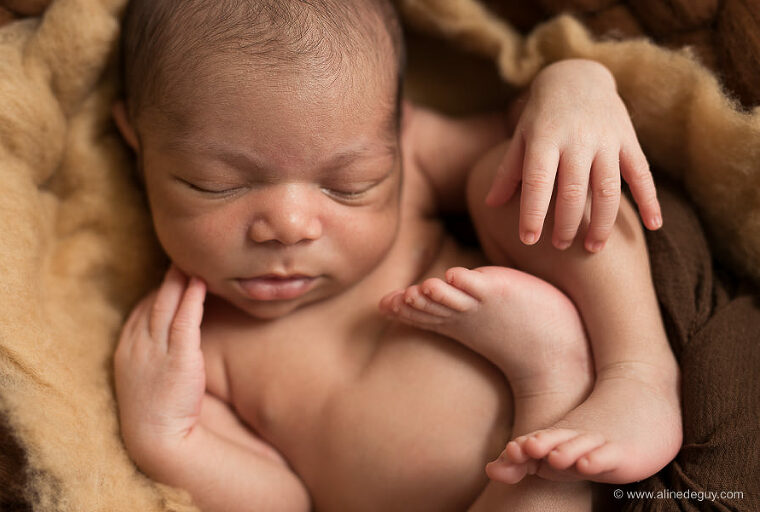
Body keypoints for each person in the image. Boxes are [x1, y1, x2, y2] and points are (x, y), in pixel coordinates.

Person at [111, 1, 681, 510]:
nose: (289, 227)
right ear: (137, 140)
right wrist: (168, 435)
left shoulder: (411, 158)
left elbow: (533, 135)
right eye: (217, 184)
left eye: (350, 184)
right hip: (523, 494)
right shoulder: (184, 346)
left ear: (398, 128)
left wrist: (576, 85)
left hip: (616, 429)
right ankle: (554, 377)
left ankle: (639, 373)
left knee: (529, 175)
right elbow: (283, 501)